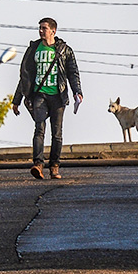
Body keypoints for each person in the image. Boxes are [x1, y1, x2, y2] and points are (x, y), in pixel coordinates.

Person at [12, 17, 82, 180]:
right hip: (39, 95)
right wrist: (17, 100)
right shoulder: (33, 49)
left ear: (53, 31)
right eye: (40, 28)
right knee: (39, 128)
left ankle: (54, 166)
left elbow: (73, 72)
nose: (41, 31)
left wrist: (77, 91)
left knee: (57, 133)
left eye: (44, 28)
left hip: (58, 95)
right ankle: (38, 164)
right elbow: (25, 76)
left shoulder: (65, 50)